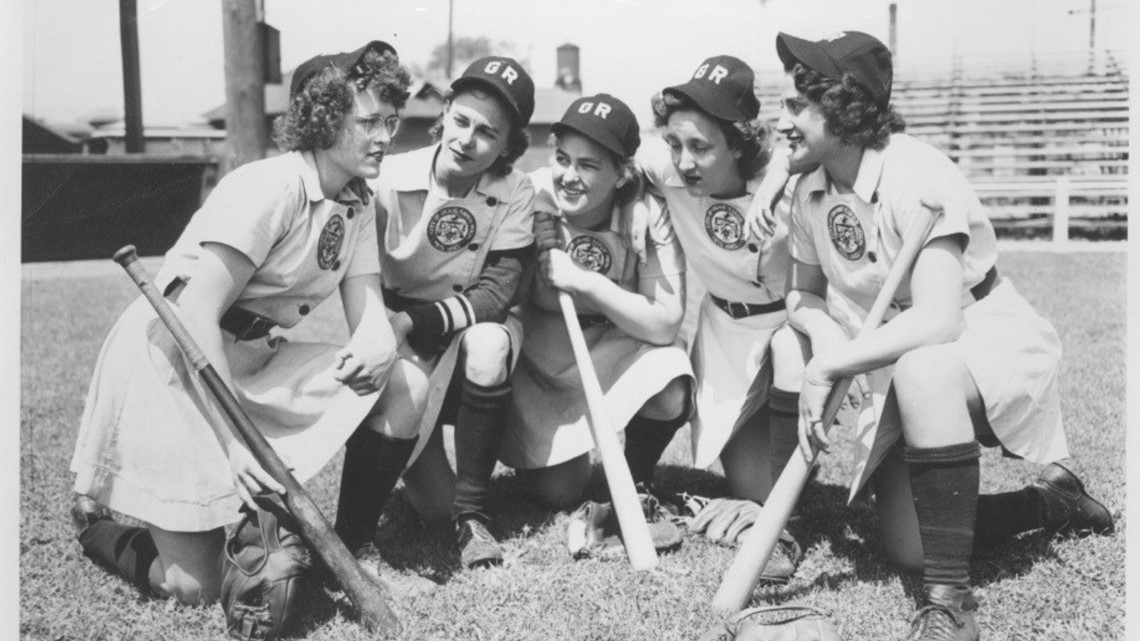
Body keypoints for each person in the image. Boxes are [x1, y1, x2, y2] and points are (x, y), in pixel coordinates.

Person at [775, 30, 1114, 641]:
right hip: (887, 353)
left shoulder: (919, 173)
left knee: (922, 369)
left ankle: (950, 603)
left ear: (844, 107)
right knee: (908, 545)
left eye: (795, 106)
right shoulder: (810, 187)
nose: (781, 122)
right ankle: (1051, 503)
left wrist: (832, 366)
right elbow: (801, 293)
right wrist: (825, 335)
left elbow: (938, 320)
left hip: (980, 337)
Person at [68, 42, 418, 604]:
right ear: (324, 118)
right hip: (172, 360)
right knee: (194, 587)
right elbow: (194, 317)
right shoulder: (269, 186)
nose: (385, 136)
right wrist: (234, 443)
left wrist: (380, 340)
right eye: (369, 121)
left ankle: (347, 548)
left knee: (405, 385)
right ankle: (95, 527)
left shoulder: (356, 200)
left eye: (391, 120)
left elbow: (368, 309)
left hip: (251, 357)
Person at [634, 55, 812, 582]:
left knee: (778, 501)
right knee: (751, 488)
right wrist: (634, 201)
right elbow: (609, 158)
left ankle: (788, 523)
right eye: (675, 143)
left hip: (788, 332)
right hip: (724, 331)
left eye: (701, 146)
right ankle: (779, 485)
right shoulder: (669, 170)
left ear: (739, 142)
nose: (684, 161)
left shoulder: (784, 186)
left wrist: (782, 168)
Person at [368, 56, 537, 569]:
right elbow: (361, 281)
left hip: (465, 329)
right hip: (400, 337)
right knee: (432, 511)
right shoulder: (389, 175)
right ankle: (435, 495)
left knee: (491, 342)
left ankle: (474, 514)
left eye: (488, 132)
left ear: (509, 145)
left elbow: (495, 294)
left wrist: (414, 322)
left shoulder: (515, 189)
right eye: (461, 120)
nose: (467, 140)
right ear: (445, 111)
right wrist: (391, 328)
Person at [499, 93, 693, 511]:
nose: (569, 176)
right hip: (544, 365)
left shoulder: (646, 211)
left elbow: (664, 324)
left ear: (622, 174)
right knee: (559, 494)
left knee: (671, 384)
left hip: (615, 350)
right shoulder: (529, 194)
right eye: (564, 159)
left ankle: (637, 478)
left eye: (588, 165)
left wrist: (584, 281)